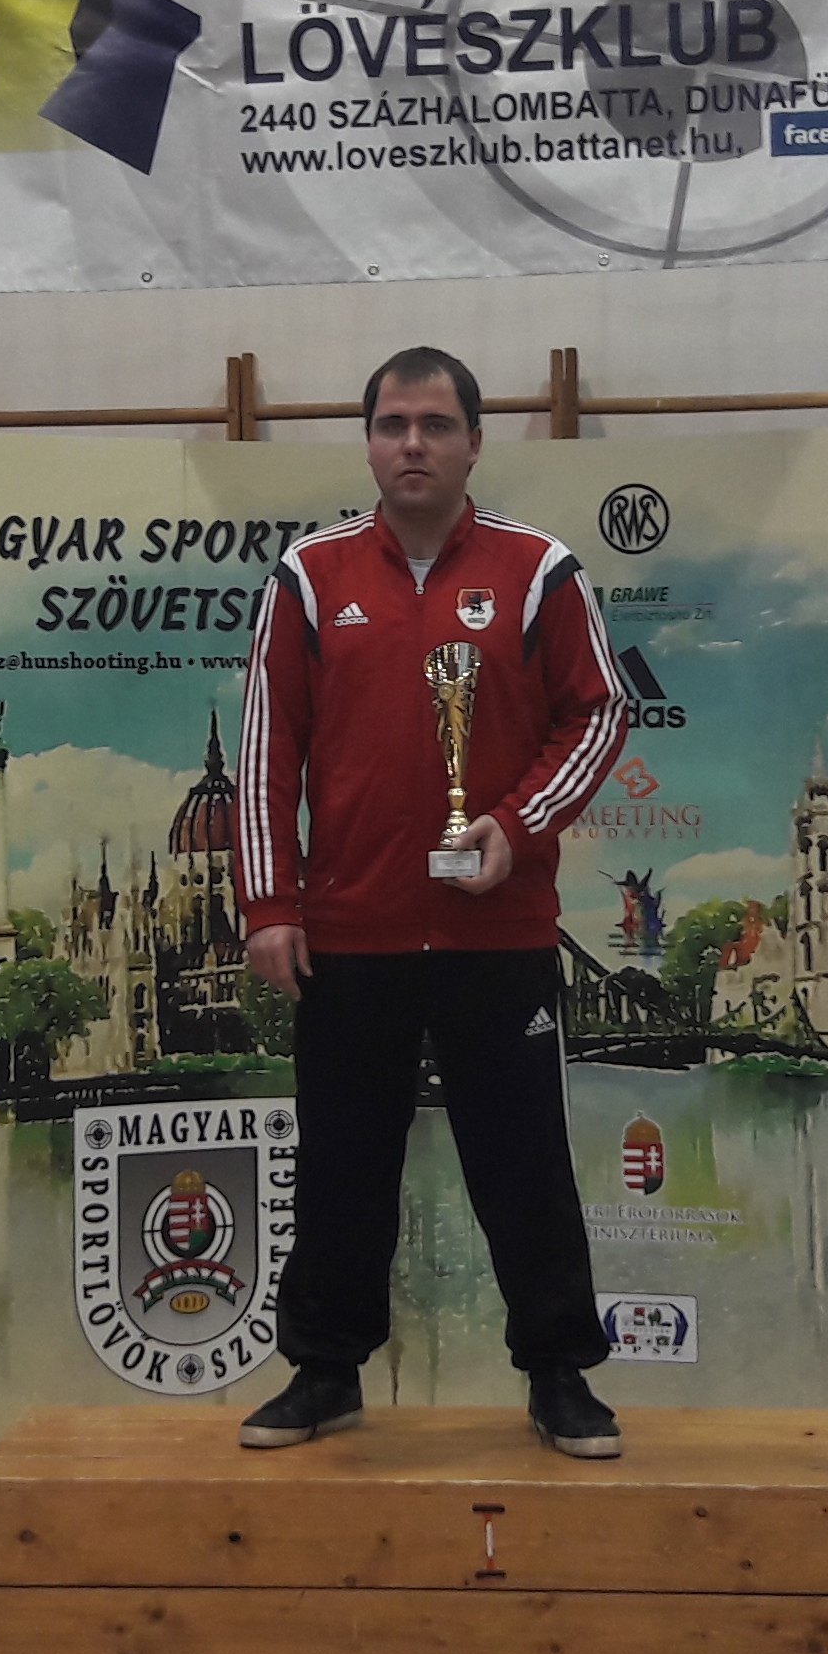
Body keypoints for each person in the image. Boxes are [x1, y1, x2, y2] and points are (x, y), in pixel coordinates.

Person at [232, 346, 633, 1459]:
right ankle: (325, 1372)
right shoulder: (310, 577)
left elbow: (600, 713)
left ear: (473, 443)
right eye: (394, 424)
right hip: (349, 934)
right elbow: (268, 746)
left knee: (524, 1163)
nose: (413, 443)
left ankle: (559, 1372)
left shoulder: (539, 569)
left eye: (436, 425)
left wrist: (517, 823)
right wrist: (269, 904)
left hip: (497, 933)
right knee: (341, 1163)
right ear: (368, 442)